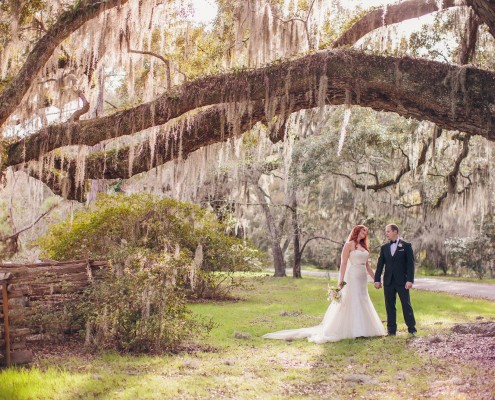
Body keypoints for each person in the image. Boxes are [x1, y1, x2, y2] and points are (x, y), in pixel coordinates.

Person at [262, 225, 386, 343]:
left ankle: (366, 329)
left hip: (362, 277)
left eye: (365, 232)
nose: (364, 233)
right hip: (352, 275)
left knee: (363, 299)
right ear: (356, 231)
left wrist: (376, 279)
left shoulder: (364, 247)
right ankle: (355, 330)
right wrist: (341, 280)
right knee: (352, 299)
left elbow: (367, 266)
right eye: (362, 231)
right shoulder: (349, 245)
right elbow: (343, 263)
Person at [374, 224, 417, 336]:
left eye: (388, 231)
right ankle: (391, 331)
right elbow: (380, 265)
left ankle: (412, 329)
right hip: (388, 281)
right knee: (389, 306)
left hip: (402, 281)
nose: (386, 233)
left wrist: (410, 280)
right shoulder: (384, 248)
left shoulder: (406, 246)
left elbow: (410, 265)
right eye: (386, 231)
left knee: (406, 304)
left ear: (395, 231)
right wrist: (377, 280)